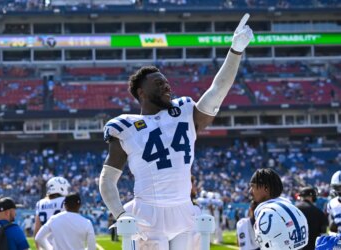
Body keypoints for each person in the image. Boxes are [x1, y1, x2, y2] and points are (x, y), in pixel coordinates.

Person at [99, 13, 254, 250]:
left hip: (184, 211)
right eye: (159, 83)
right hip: (148, 214)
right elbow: (108, 179)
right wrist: (120, 214)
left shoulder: (183, 111)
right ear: (141, 93)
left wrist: (235, 51)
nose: (167, 86)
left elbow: (216, 92)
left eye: (166, 81)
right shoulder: (126, 126)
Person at [249, 168, 309, 250]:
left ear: (266, 188)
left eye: (253, 187)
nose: (250, 191)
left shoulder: (267, 213)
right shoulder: (291, 207)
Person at [34, 176, 70, 248]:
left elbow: (37, 229)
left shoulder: (40, 203)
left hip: (46, 245)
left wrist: (38, 248)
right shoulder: (65, 201)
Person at [296, 186, 328, 250]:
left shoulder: (293, 210)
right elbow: (324, 234)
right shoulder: (319, 212)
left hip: (296, 247)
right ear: (312, 197)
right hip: (312, 247)